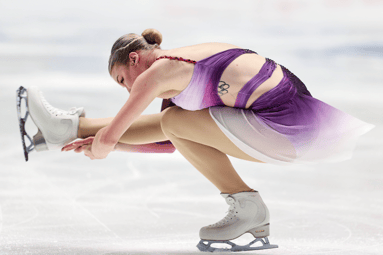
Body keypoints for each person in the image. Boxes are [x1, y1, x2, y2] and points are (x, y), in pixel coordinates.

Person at [17, 28, 374, 252]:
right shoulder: (180, 64)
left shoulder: (158, 74)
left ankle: (249, 208)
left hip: (290, 128)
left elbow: (114, 141)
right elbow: (171, 140)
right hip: (297, 124)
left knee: (173, 119)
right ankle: (63, 129)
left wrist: (101, 143)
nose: (128, 87)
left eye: (122, 79)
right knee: (174, 121)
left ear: (135, 58)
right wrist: (92, 139)